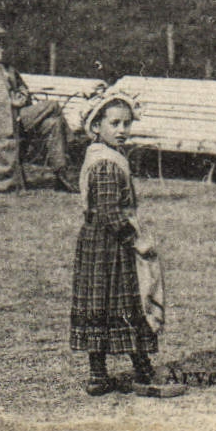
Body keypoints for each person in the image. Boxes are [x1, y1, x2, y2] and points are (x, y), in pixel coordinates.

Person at [70, 95, 185, 398]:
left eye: (126, 123)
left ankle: (101, 374)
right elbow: (109, 213)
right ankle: (137, 370)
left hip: (99, 241)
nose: (122, 130)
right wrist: (136, 242)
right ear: (96, 126)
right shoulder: (106, 163)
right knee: (127, 303)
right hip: (110, 244)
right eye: (114, 123)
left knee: (102, 304)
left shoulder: (104, 155)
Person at [0, 26, 74, 193]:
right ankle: (73, 145)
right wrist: (8, 102)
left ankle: (61, 175)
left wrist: (21, 97)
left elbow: (23, 89)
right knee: (53, 106)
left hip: (16, 120)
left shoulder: (6, 68)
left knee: (54, 122)